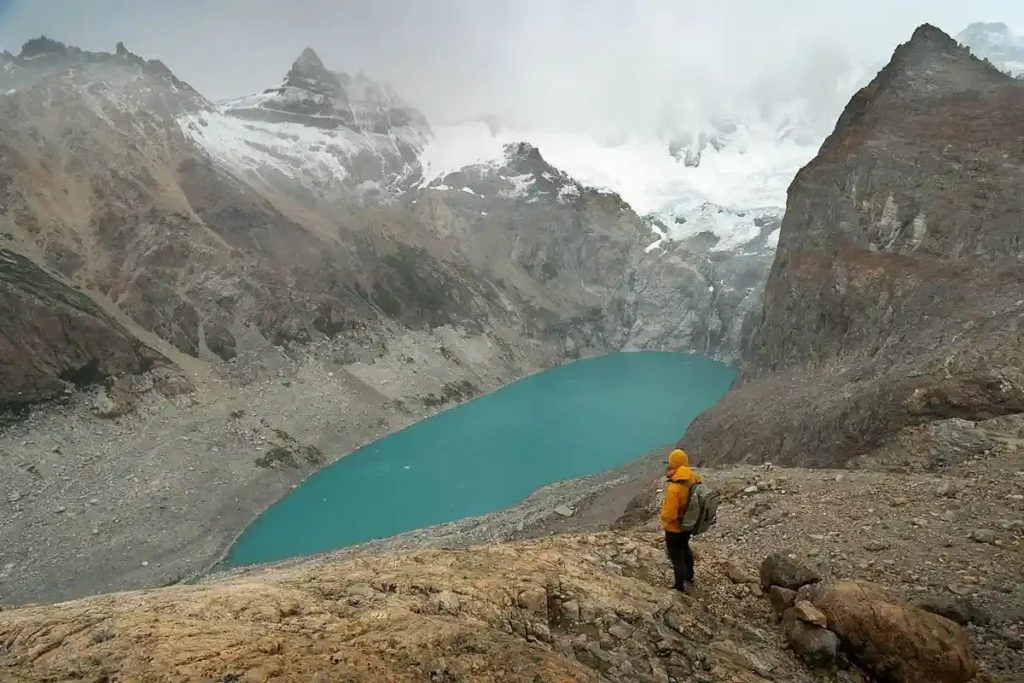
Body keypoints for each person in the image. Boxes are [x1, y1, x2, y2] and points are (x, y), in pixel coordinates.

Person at [659, 448, 700, 594]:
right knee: (685, 549)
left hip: (674, 528)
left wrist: (663, 517)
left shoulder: (675, 487)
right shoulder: (694, 478)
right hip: (688, 524)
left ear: (673, 464)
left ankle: (679, 587)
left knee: (676, 556)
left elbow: (669, 514)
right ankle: (689, 577)